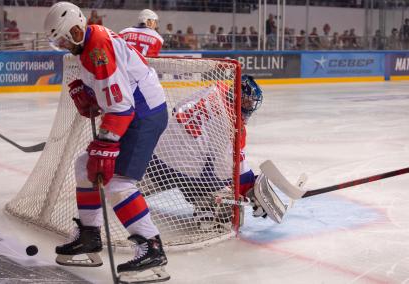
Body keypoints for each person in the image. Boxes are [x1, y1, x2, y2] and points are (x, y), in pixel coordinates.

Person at [43, 2, 169, 282]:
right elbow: (113, 90)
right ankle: (89, 235)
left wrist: (107, 144)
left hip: (143, 115)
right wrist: (89, 93)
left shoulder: (97, 47)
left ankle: (152, 248)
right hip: (133, 112)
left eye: (65, 38)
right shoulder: (89, 42)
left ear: (77, 28)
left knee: (117, 181)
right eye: (60, 41)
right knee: (84, 166)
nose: (64, 45)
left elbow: (122, 106)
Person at [146, 75, 282, 229]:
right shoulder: (233, 124)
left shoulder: (215, 89)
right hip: (187, 172)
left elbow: (178, 108)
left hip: (156, 156)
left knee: (189, 160)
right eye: (247, 102)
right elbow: (231, 168)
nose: (250, 107)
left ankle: (135, 188)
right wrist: (251, 190)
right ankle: (204, 208)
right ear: (237, 98)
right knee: (222, 180)